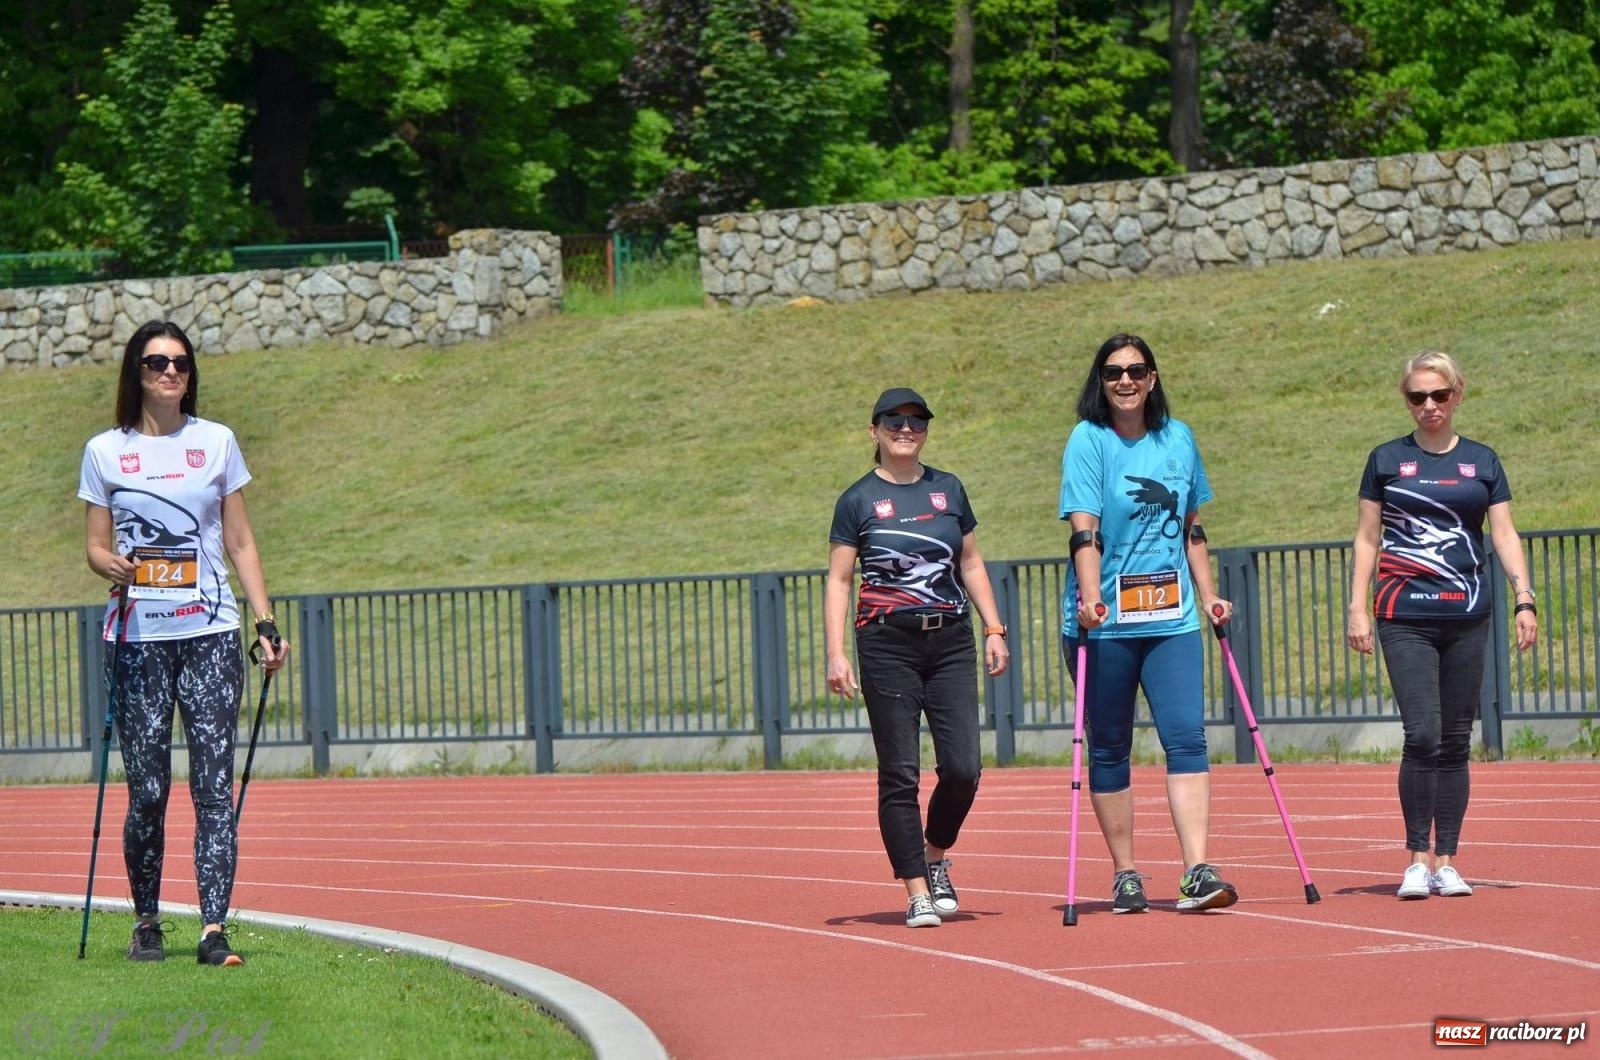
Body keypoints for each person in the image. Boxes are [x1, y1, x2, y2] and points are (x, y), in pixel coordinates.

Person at [78, 320, 290, 966]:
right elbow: (93, 545)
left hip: (210, 634)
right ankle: (146, 920)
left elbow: (241, 541)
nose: (169, 373)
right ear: (135, 373)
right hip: (138, 638)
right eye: (156, 362)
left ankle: (213, 927)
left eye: (180, 363)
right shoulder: (105, 452)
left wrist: (265, 621)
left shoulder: (217, 443)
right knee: (147, 790)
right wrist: (106, 563)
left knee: (212, 785)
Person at [1345, 351, 1537, 900]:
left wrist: (1524, 597)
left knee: (1455, 740)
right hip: (1403, 615)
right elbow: (1366, 537)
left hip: (1467, 614)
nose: (1429, 406)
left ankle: (1446, 860)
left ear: (1458, 395)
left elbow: (1503, 533)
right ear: (1405, 399)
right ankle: (1414, 859)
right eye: (1417, 397)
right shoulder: (1385, 460)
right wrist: (1357, 607)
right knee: (1422, 733)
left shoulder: (1482, 461)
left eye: (1439, 395)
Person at [1058, 333, 1238, 915]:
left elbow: (1192, 526)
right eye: (1113, 372)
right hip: (1105, 622)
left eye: (1136, 370)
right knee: (1109, 747)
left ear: (1153, 378)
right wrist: (1090, 598)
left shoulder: (1178, 438)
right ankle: (1126, 872)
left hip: (1172, 619)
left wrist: (1209, 595)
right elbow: (1084, 529)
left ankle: (1196, 870)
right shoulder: (1089, 440)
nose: (1125, 381)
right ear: (1101, 381)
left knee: (1186, 736)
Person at [824, 387, 1011, 928]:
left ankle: (935, 856)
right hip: (886, 645)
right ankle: (916, 891)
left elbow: (971, 562)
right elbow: (839, 580)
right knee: (899, 773)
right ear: (874, 430)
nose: (906, 429)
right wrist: (836, 653)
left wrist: (993, 628)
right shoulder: (857, 500)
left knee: (964, 769)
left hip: (950, 639)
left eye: (917, 421)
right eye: (894, 421)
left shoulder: (947, 489)